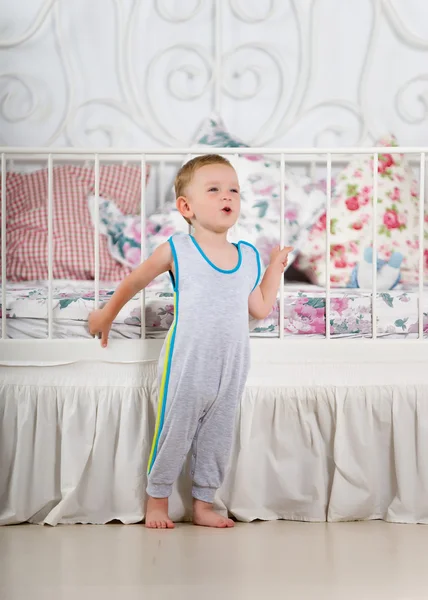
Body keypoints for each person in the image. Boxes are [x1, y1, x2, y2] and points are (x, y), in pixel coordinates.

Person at [88, 154, 292, 529]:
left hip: (231, 365)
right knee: (175, 428)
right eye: (213, 189)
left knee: (217, 436)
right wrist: (106, 314)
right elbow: (135, 281)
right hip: (188, 362)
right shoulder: (178, 249)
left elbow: (259, 308)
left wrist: (274, 271)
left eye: (233, 189)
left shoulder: (248, 255)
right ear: (187, 207)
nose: (225, 196)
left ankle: (203, 504)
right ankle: (157, 500)